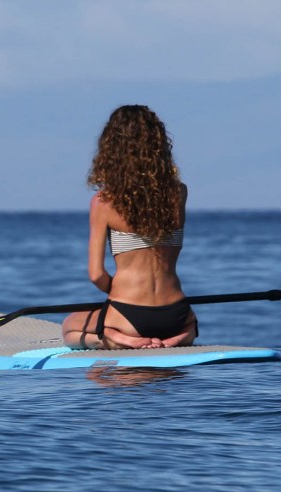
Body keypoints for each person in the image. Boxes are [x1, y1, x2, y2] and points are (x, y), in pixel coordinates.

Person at [62, 105, 197, 350]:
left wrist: (121, 296)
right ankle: (180, 337)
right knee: (186, 324)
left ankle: (117, 338)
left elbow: (96, 275)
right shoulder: (179, 193)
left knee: (69, 327)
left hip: (128, 314)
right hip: (176, 313)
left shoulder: (104, 202)